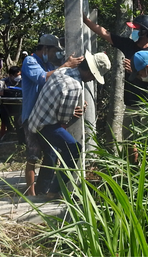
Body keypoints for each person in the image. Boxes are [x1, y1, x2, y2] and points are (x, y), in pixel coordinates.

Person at [27, 50, 111, 199]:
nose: (91, 80)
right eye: (93, 77)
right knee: (74, 149)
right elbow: (63, 118)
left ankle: (44, 190)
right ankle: (54, 191)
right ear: (91, 72)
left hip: (36, 119)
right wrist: (75, 111)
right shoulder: (75, 87)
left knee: (52, 155)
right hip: (46, 125)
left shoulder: (65, 70)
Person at [83, 12, 148, 152]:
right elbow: (104, 33)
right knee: (128, 144)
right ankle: (132, 171)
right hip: (130, 104)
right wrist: (84, 20)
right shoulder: (128, 45)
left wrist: (135, 72)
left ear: (144, 32)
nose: (133, 31)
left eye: (136, 29)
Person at [21, 34, 82, 196]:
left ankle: (42, 190)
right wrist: (66, 65)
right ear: (45, 48)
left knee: (51, 155)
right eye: (55, 50)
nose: (56, 53)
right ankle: (30, 194)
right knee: (33, 155)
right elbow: (42, 79)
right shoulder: (30, 62)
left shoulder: (48, 64)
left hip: (46, 117)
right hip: (31, 115)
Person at [0, 65, 23, 140]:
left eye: (20, 75)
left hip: (19, 104)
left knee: (20, 114)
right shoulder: (3, 81)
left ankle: (19, 131)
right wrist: (7, 91)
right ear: (11, 75)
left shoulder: (22, 81)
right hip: (7, 105)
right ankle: (9, 128)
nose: (19, 77)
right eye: (17, 75)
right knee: (2, 110)